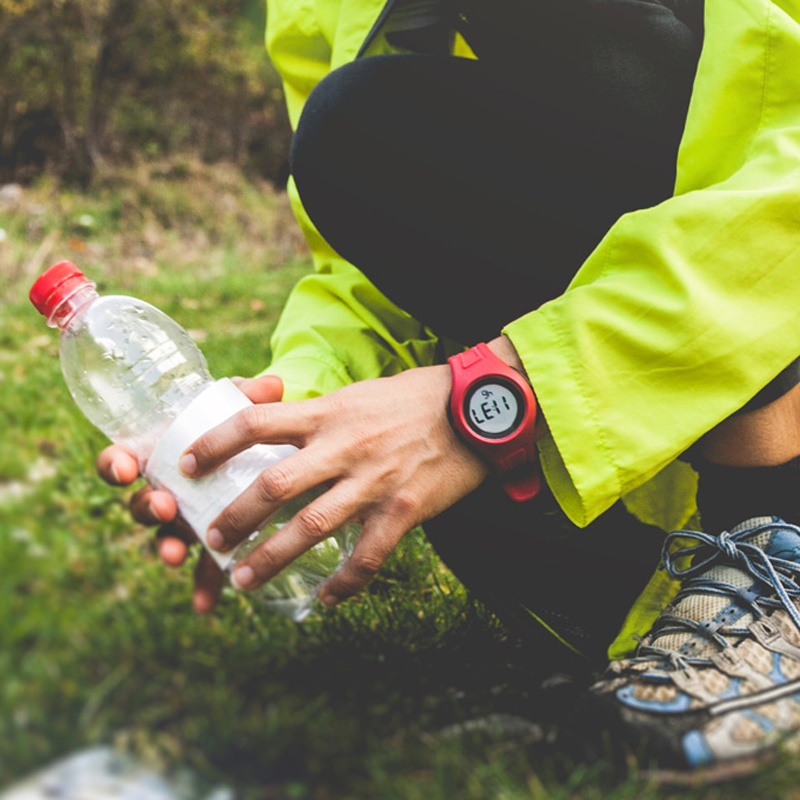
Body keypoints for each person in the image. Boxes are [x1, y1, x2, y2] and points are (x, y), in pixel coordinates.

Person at [97, 0, 800, 780]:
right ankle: (654, 610)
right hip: (624, 468)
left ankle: (771, 556)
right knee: (358, 128)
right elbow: (373, 254)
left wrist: (496, 397)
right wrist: (280, 426)